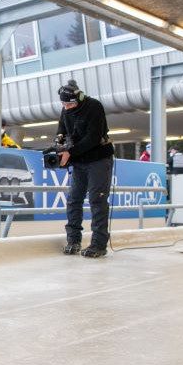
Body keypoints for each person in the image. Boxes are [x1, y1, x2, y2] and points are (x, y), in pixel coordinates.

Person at [54, 80, 114, 258]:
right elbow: (61, 129)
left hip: (98, 159)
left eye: (70, 104)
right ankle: (73, 240)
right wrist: (60, 144)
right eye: (64, 104)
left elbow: (93, 138)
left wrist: (70, 152)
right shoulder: (66, 110)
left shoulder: (94, 106)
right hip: (79, 160)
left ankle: (99, 244)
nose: (67, 107)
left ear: (79, 98)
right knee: (74, 200)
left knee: (97, 200)